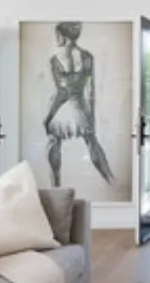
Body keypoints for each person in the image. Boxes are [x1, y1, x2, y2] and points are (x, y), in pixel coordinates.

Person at [44, 21, 115, 187]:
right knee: (92, 142)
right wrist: (90, 116)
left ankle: (56, 184)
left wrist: (49, 116)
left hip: (63, 107)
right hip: (81, 106)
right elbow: (91, 91)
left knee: (53, 141)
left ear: (62, 34)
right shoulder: (87, 56)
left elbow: (60, 93)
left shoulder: (55, 59)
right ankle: (110, 179)